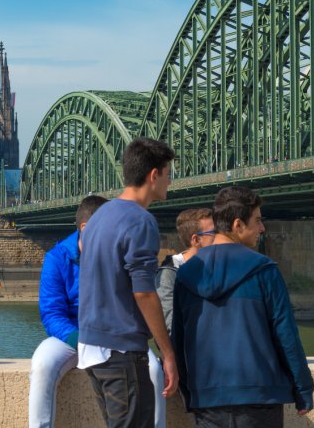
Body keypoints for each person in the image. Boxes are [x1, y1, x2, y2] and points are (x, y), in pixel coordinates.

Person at [172, 186, 314, 427]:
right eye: (257, 221)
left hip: (208, 397)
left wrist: (191, 392)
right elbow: (286, 335)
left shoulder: (186, 275)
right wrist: (303, 389)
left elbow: (180, 340)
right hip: (260, 395)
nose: (262, 228)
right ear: (238, 225)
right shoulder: (264, 269)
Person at [28, 195, 166, 428]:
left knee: (153, 370)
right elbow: (52, 313)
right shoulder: (57, 257)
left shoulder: (118, 250)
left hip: (115, 333)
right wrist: (80, 339)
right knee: (42, 365)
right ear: (85, 227)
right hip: (74, 335)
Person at [78, 137, 179, 428]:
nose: (170, 183)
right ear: (153, 175)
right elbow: (144, 293)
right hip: (120, 350)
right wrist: (168, 353)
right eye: (168, 174)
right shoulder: (140, 220)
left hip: (92, 347)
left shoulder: (100, 216)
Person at [156, 208, 213, 332]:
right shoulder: (169, 273)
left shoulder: (217, 267)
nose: (219, 237)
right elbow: (171, 325)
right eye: (214, 232)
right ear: (196, 240)